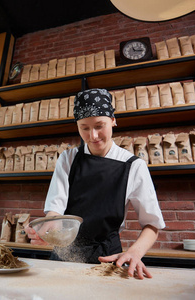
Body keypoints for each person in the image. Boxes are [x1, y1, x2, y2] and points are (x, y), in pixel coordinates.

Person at [26, 88, 165, 279]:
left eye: (100, 125)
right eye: (84, 127)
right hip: (64, 256)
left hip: (108, 259)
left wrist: (135, 252)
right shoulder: (68, 159)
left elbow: (152, 224)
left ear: (113, 120)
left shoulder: (133, 166)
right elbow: (55, 211)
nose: (93, 136)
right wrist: (49, 232)